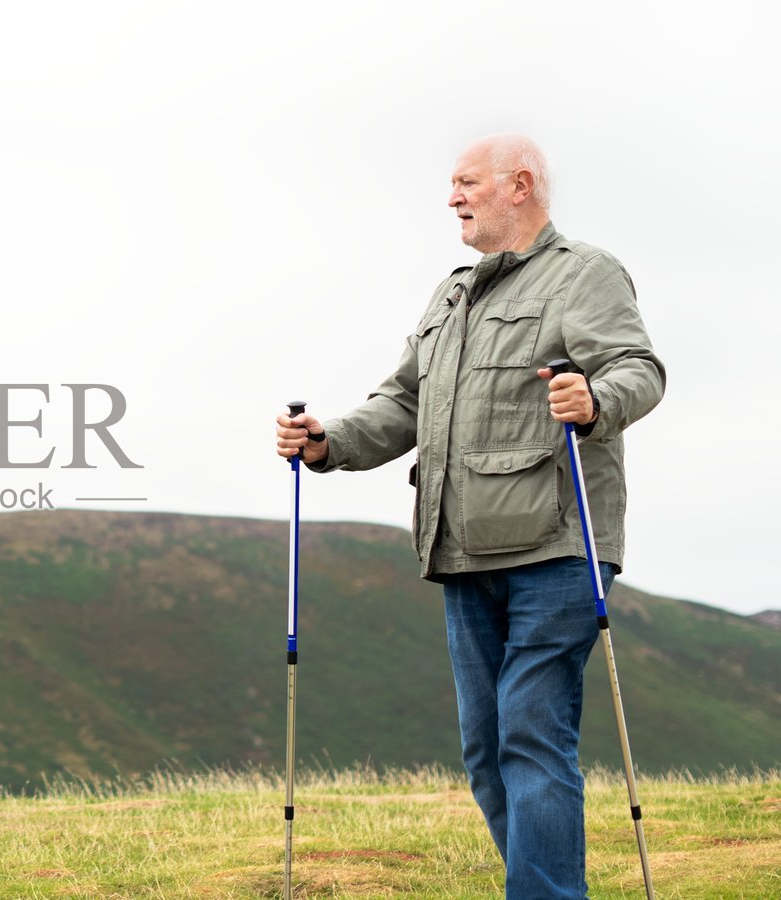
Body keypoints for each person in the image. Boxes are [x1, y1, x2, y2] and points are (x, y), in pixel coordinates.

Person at [273, 134, 664, 898]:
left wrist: (595, 402)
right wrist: (328, 444)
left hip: (555, 544)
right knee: (487, 751)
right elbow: (405, 402)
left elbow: (637, 369)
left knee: (530, 735)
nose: (452, 197)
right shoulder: (451, 293)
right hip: (459, 549)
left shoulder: (584, 274)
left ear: (519, 186)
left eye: (466, 183)